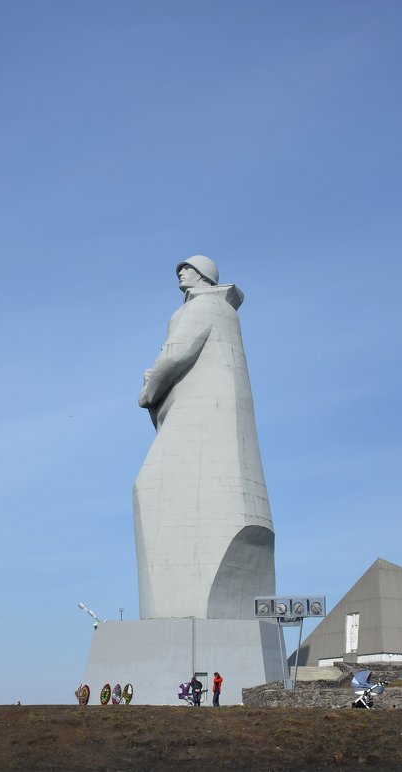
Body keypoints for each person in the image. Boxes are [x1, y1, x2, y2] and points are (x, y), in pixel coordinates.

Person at [134, 256, 276, 619]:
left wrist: (148, 389)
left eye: (188, 268)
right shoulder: (227, 312)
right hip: (221, 420)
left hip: (197, 418)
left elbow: (175, 354)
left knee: (149, 487)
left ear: (203, 276)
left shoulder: (201, 307)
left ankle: (173, 608)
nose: (181, 272)